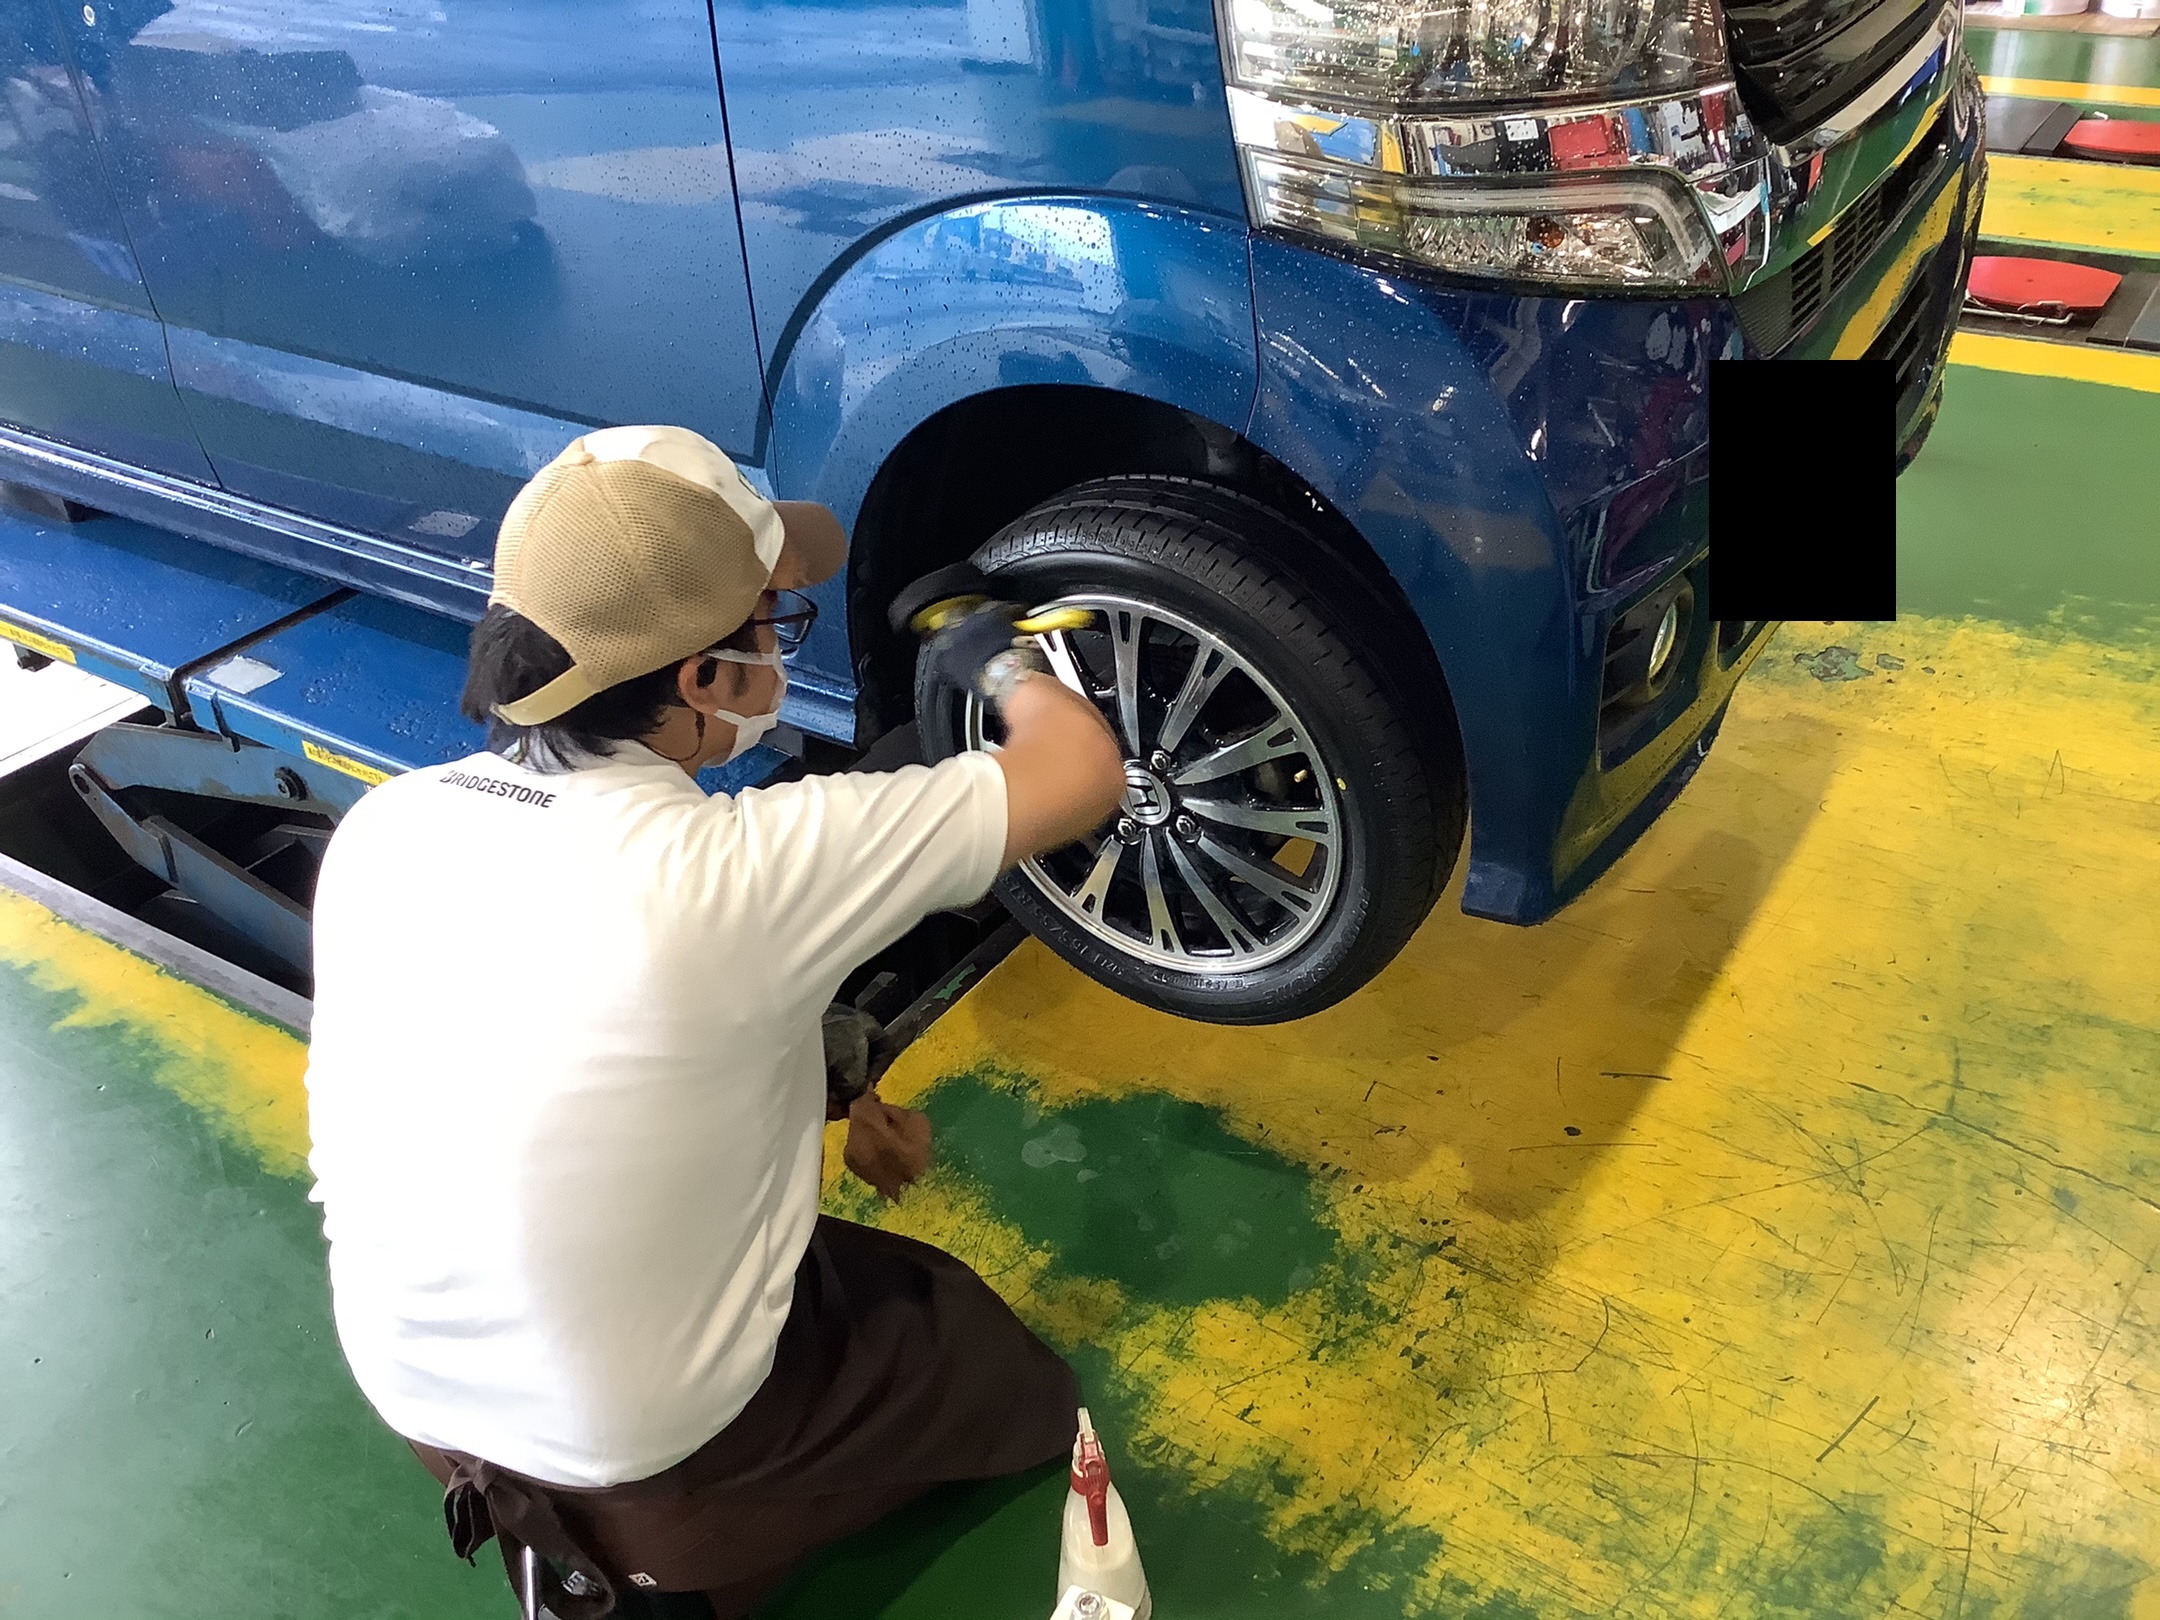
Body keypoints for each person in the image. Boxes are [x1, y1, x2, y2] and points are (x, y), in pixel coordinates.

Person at [303, 425, 1127, 1618]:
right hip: (638, 1438)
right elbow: (1080, 770)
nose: (778, 646)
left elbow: (604, 1037)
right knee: (993, 1369)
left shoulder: (392, 824)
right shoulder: (740, 869)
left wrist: (844, 1087)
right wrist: (990, 652)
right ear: (701, 681)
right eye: (769, 623)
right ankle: (676, 1559)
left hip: (414, 1381)